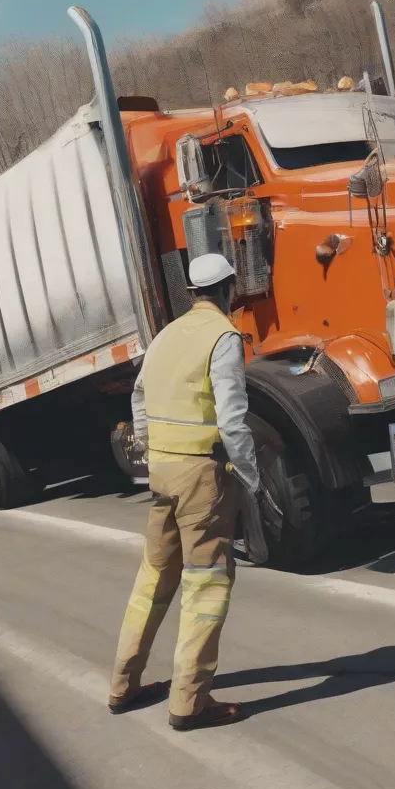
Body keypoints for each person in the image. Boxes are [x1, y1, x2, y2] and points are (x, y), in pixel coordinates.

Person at [107, 253, 282, 731]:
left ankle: (123, 685)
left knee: (153, 579)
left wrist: (148, 450)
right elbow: (231, 419)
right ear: (229, 288)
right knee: (205, 587)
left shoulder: (166, 335)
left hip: (162, 472)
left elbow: (138, 396)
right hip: (201, 478)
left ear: (190, 292)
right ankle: (190, 703)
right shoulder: (222, 337)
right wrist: (250, 475)